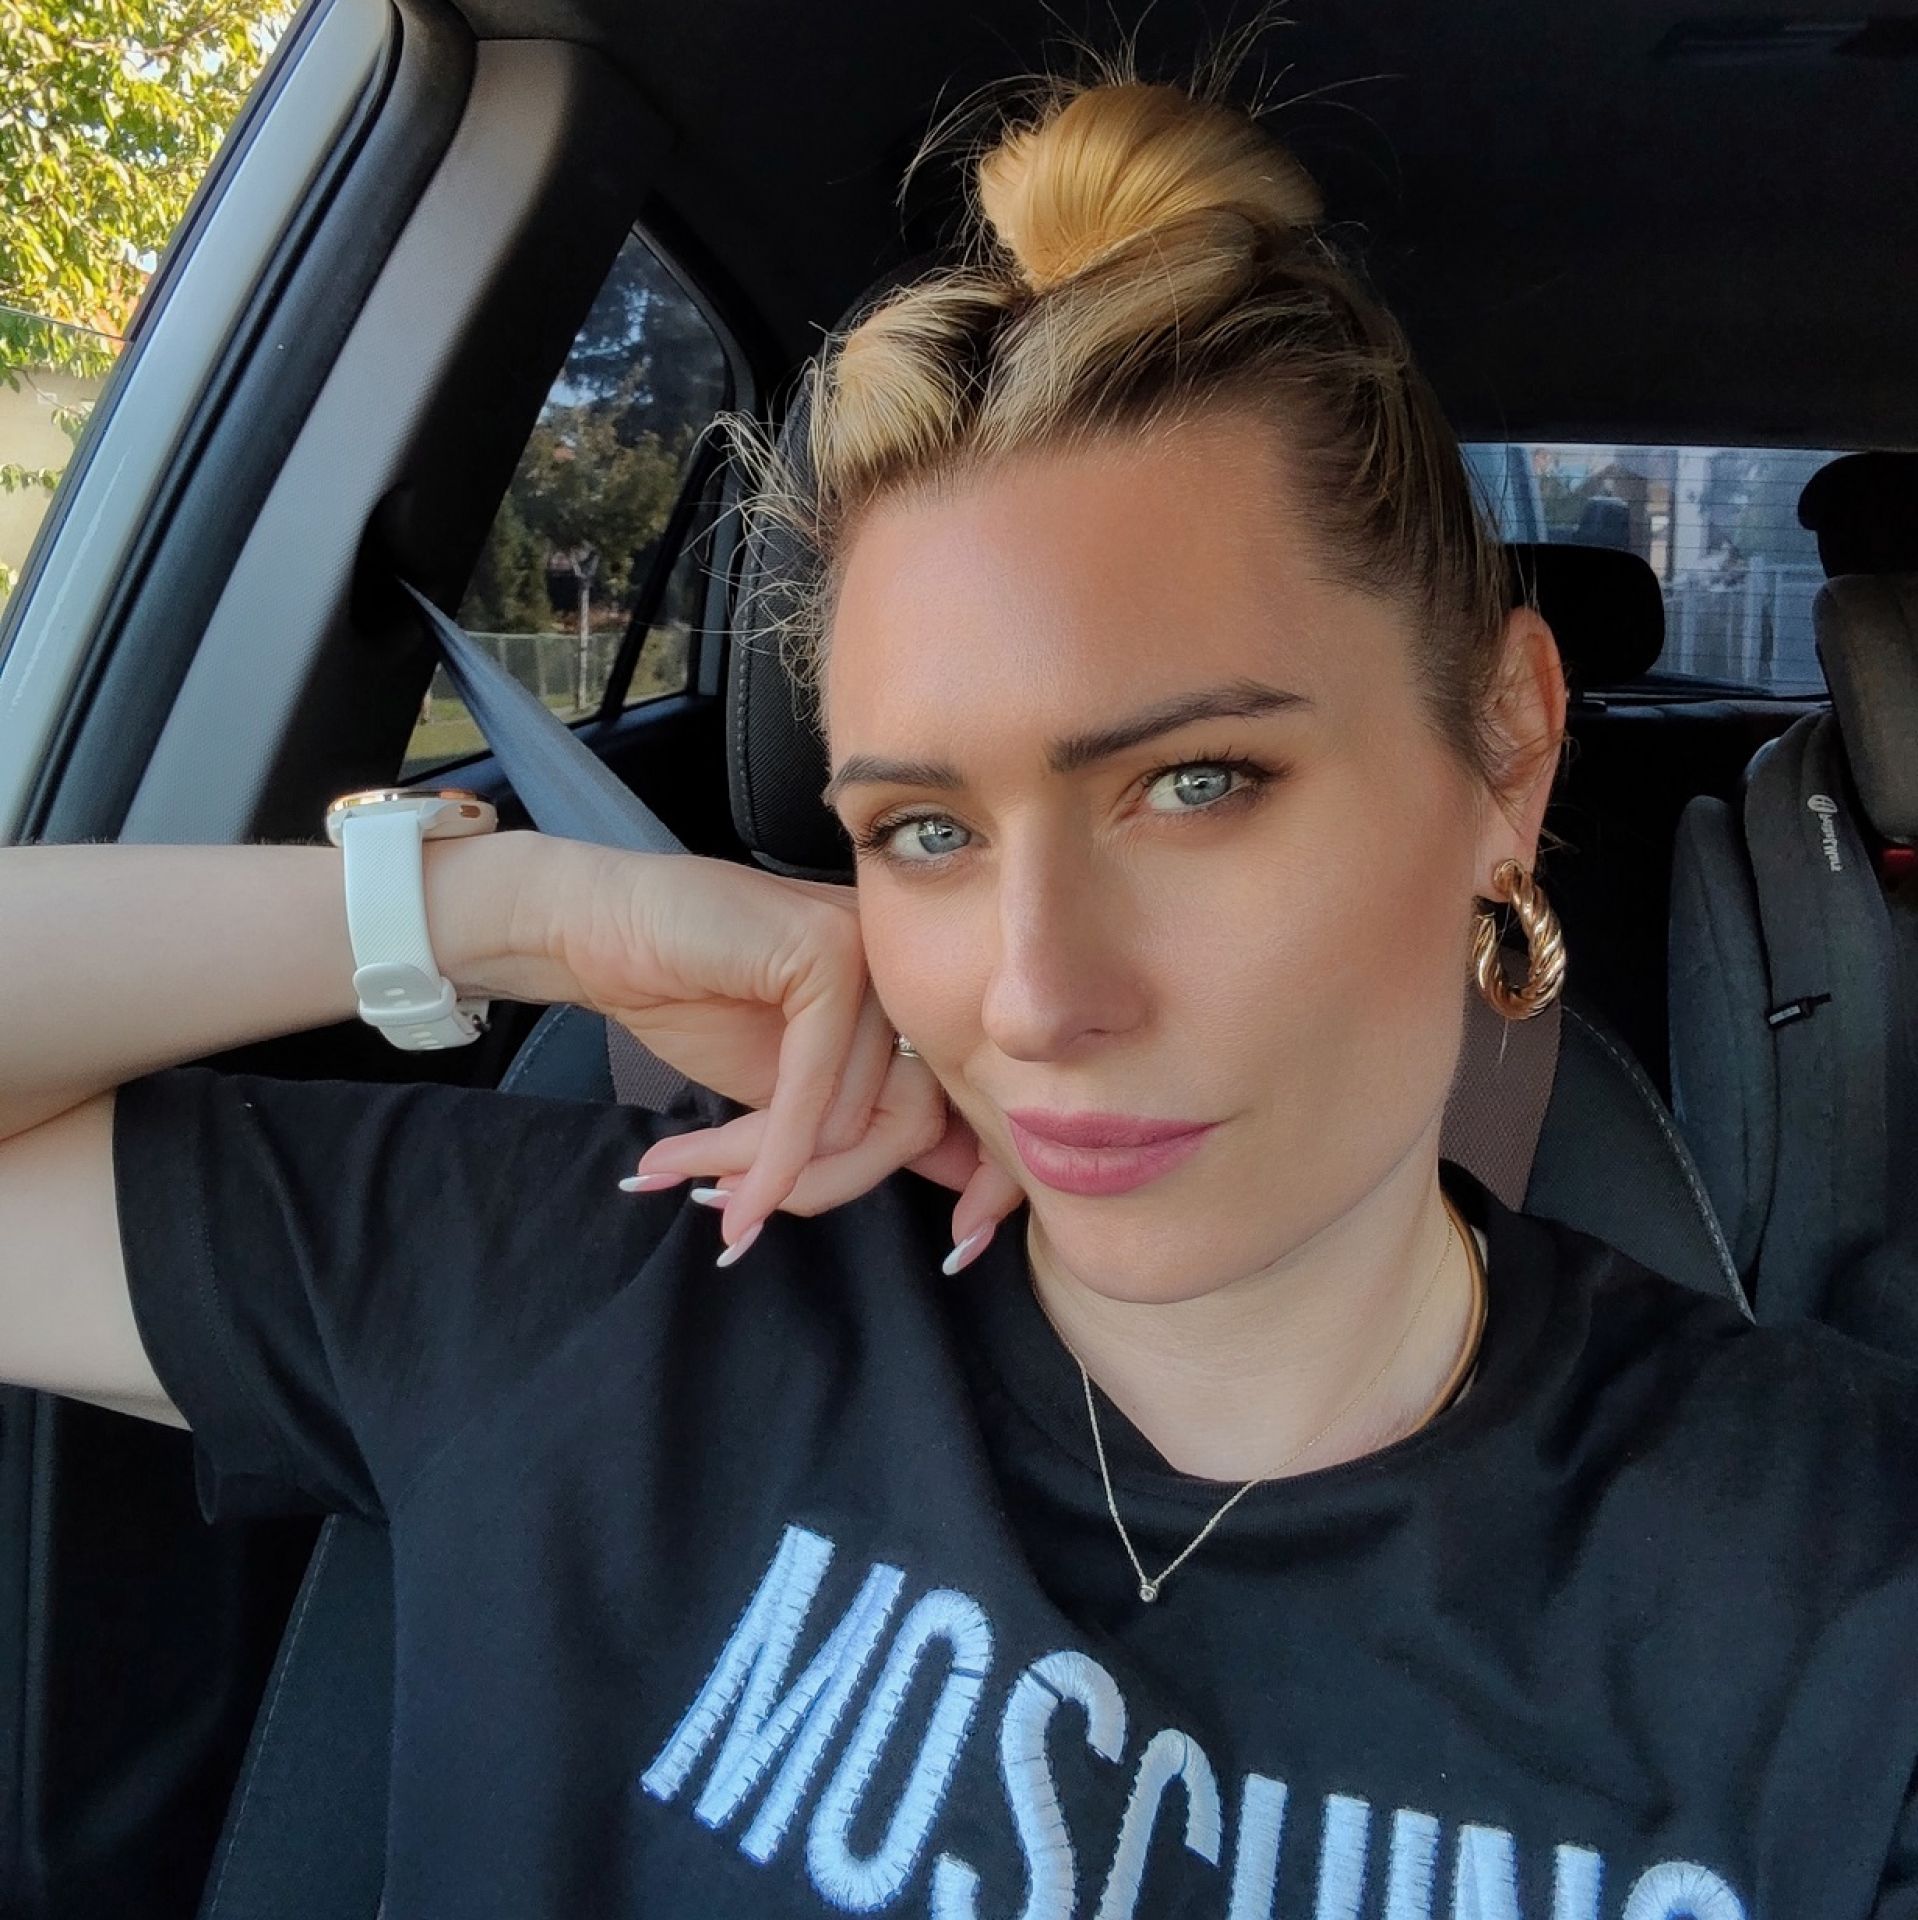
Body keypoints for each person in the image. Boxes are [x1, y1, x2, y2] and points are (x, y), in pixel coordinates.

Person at [3, 61, 1916, 1920]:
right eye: (923, 830)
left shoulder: (1839, 1586)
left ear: (1503, 751)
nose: (1032, 997)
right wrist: (514, 913)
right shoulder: (605, 1289)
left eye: (1195, 784)